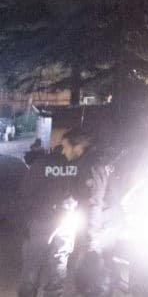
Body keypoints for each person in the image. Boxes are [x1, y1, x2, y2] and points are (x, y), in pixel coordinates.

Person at [16, 126, 106, 297]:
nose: (64, 150)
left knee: (32, 265)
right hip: (66, 220)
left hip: (41, 220)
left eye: (65, 146)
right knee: (58, 262)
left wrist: (26, 222)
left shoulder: (42, 164)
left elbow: (25, 193)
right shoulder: (80, 165)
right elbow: (87, 197)